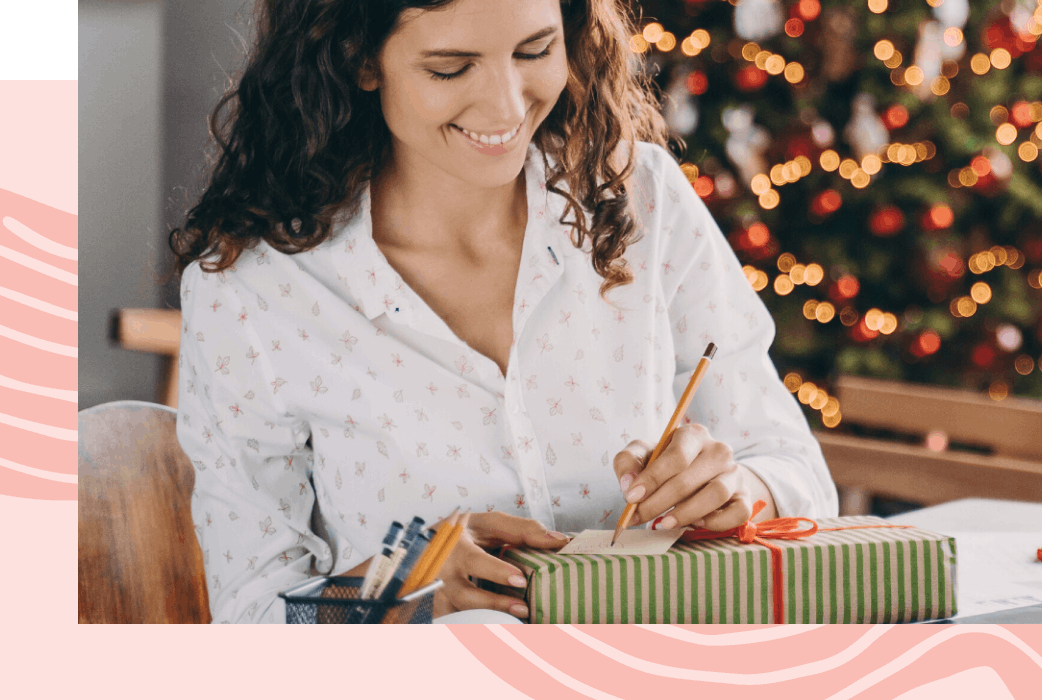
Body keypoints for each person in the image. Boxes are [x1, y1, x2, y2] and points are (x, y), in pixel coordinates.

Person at [169, 0, 835, 624]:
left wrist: (739, 488)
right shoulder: (253, 291)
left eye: (534, 50)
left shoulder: (642, 197)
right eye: (451, 67)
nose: (506, 104)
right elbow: (251, 615)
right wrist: (396, 587)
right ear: (358, 56)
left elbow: (796, 470)